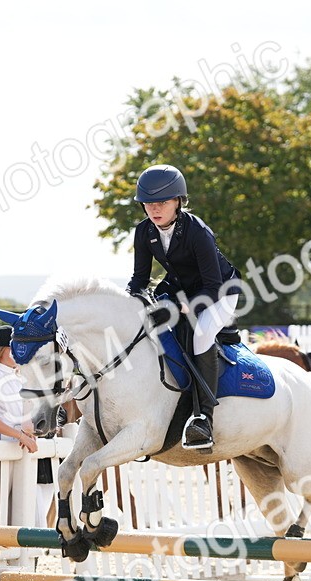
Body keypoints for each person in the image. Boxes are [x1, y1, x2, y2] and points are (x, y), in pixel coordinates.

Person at [126, 164, 241, 450]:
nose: (155, 209)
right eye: (149, 203)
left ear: (179, 201)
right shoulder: (144, 232)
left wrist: (179, 307)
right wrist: (127, 302)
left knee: (201, 334)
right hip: (181, 289)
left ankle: (204, 419)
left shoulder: (197, 231)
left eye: (162, 202)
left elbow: (212, 286)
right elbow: (140, 279)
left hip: (221, 292)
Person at [0, 326, 40, 453]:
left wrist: (27, 433)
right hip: (0, 447)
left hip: (20, 446)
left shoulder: (19, 378)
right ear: (0, 350)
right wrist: (20, 436)